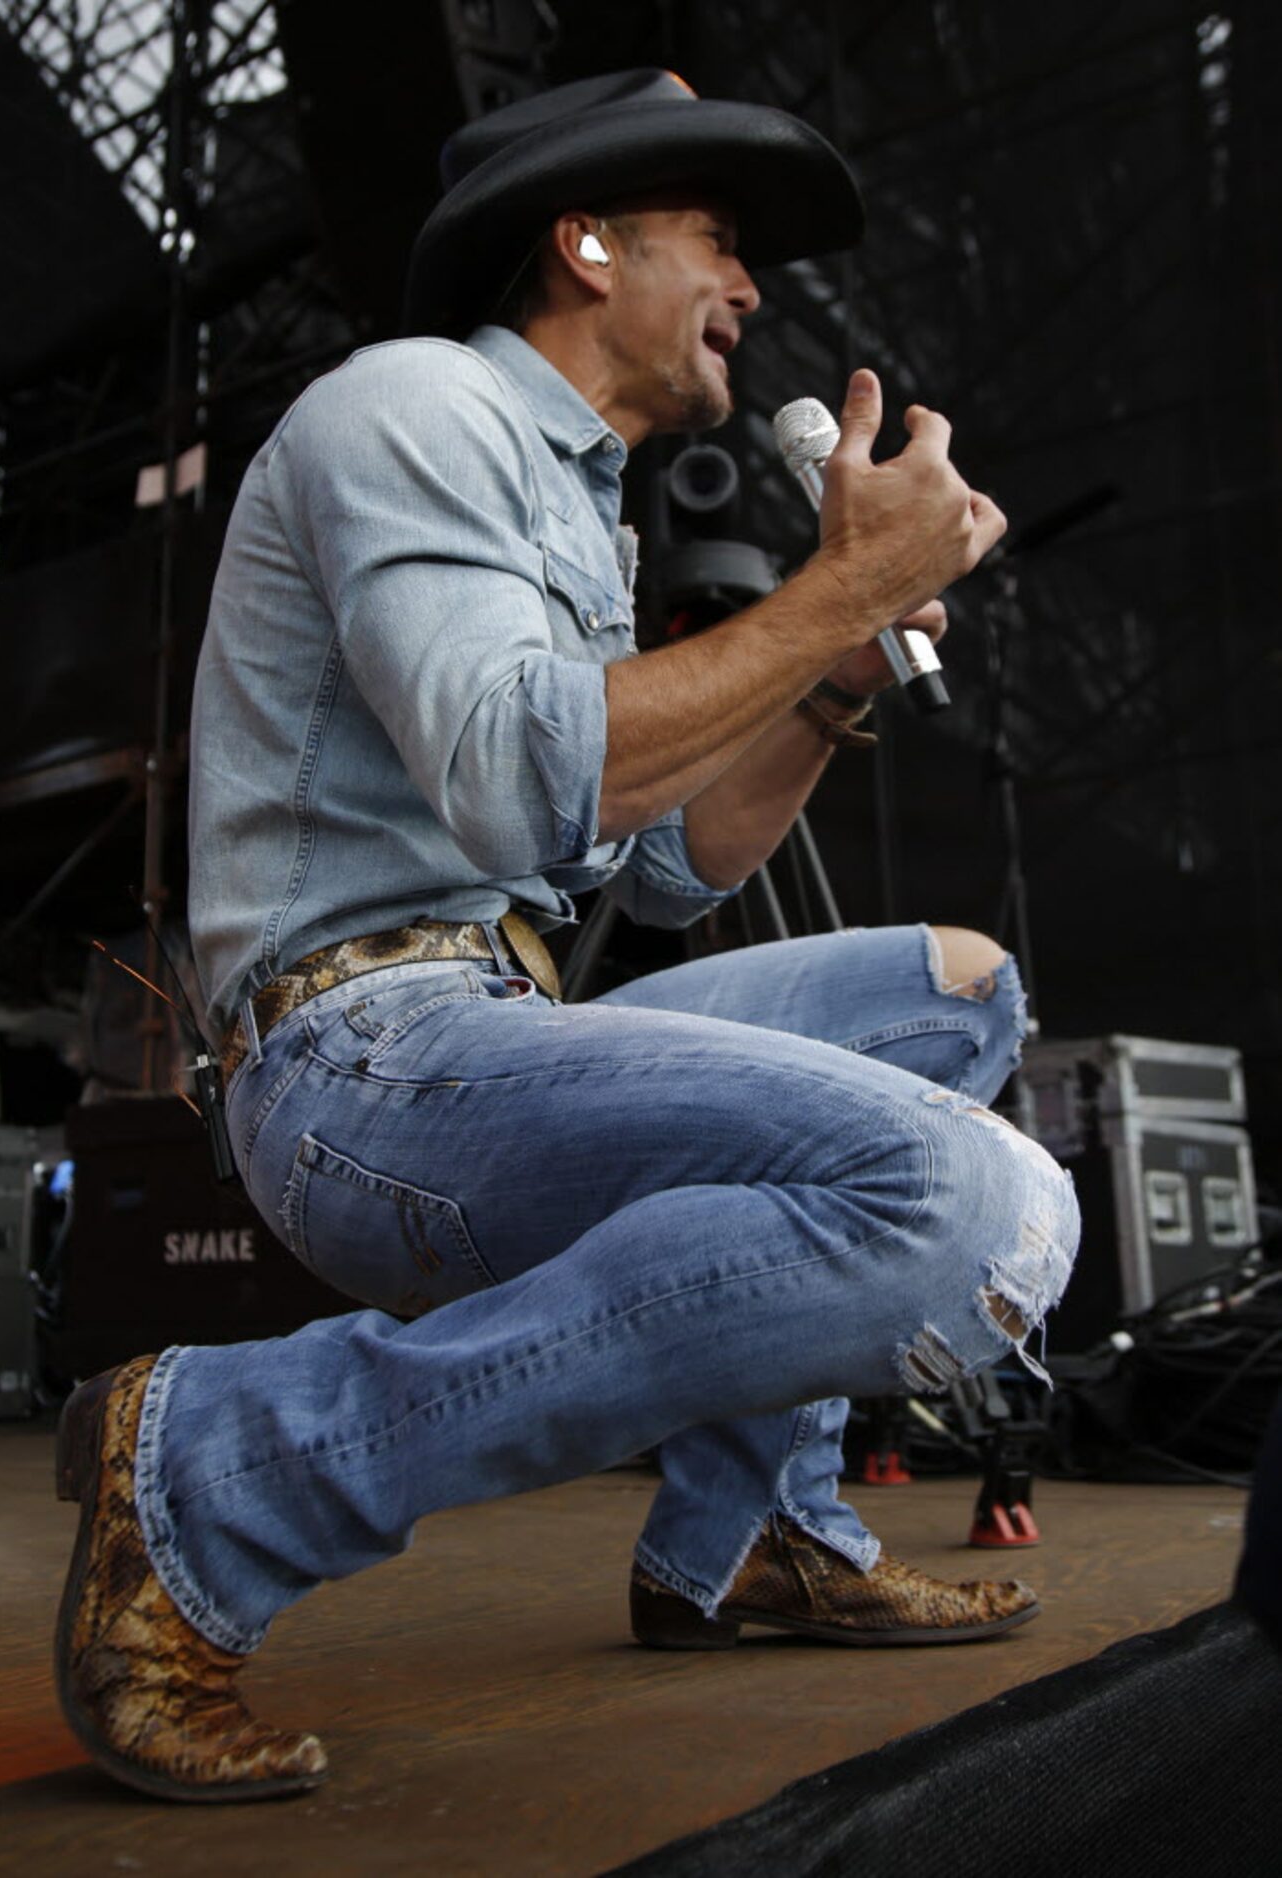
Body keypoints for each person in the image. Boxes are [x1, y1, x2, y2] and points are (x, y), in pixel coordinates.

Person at [53, 69, 1080, 1803]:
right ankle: (219, 1470)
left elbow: (667, 863)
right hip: (358, 1062)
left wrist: (836, 664)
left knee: (960, 994)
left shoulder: (580, 504)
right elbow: (524, 775)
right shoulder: (415, 407)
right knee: (976, 1206)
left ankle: (753, 1532)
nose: (752, 293)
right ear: (585, 243)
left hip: (493, 1018)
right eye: (721, 241)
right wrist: (828, 587)